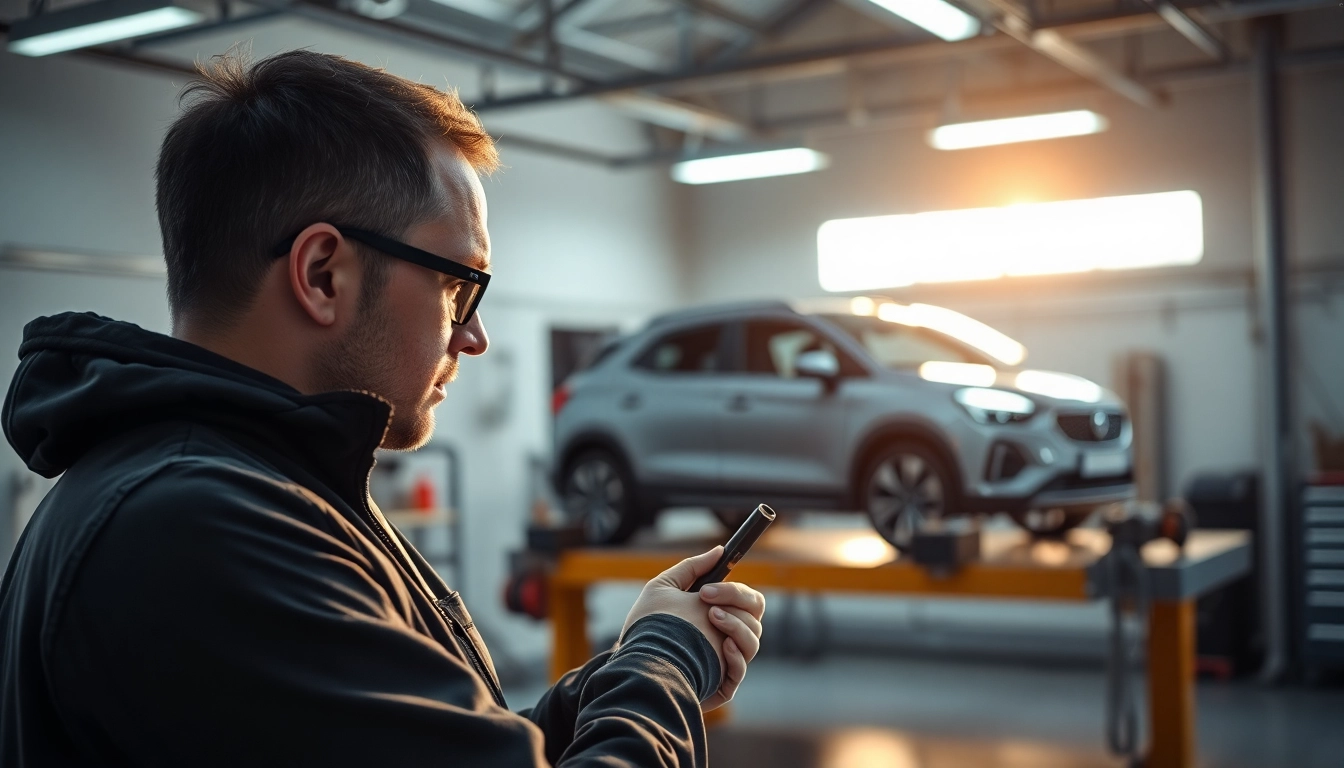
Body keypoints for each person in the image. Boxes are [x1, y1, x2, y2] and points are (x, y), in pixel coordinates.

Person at [0, 50, 765, 766]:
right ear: (324, 273)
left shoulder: (241, 491)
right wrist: (668, 660)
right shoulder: (196, 528)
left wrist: (632, 665)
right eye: (458, 285)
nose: (474, 336)